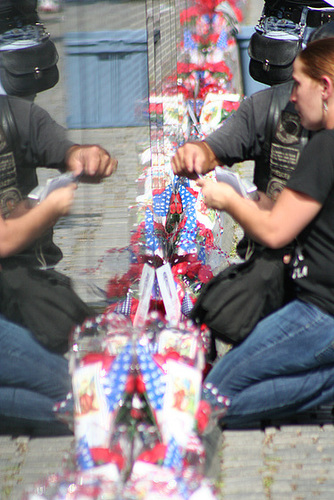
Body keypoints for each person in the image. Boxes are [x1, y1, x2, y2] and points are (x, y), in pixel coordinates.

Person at [196, 37, 334, 428]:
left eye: (298, 83)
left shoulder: (325, 146)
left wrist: (229, 200)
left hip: (320, 311)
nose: (292, 98)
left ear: (324, 87)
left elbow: (274, 232)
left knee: (210, 398)